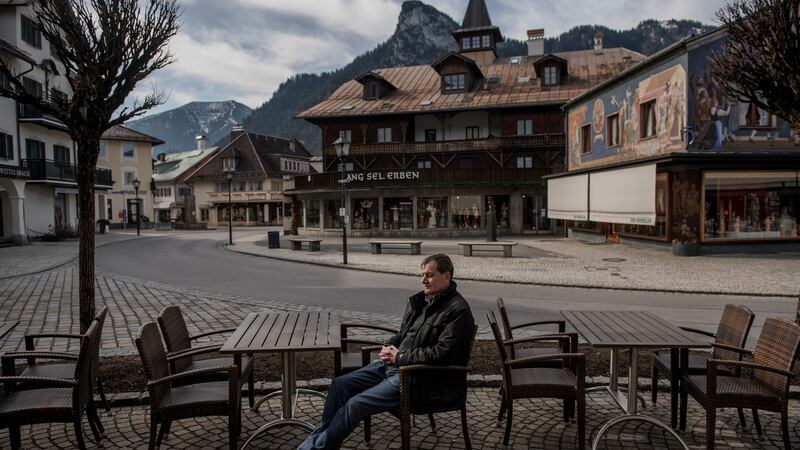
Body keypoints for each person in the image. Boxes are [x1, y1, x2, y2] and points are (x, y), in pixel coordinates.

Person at [297, 254, 475, 450]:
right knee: (340, 385)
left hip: (419, 379)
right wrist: (389, 344)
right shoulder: (424, 301)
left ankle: (314, 447)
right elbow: (404, 334)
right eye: (422, 274)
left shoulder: (458, 310)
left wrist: (399, 357)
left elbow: (443, 354)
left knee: (355, 405)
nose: (422, 280)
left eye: (429, 275)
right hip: (393, 366)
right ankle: (320, 443)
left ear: (446, 276)